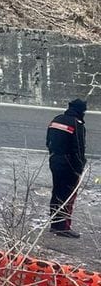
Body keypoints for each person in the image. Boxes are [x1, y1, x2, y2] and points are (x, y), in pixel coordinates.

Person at [46, 98, 88, 238]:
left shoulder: (56, 119)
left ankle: (55, 224)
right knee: (68, 196)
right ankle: (63, 227)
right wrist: (79, 167)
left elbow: (48, 141)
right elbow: (78, 148)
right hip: (69, 164)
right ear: (81, 110)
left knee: (57, 192)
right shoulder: (77, 124)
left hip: (54, 160)